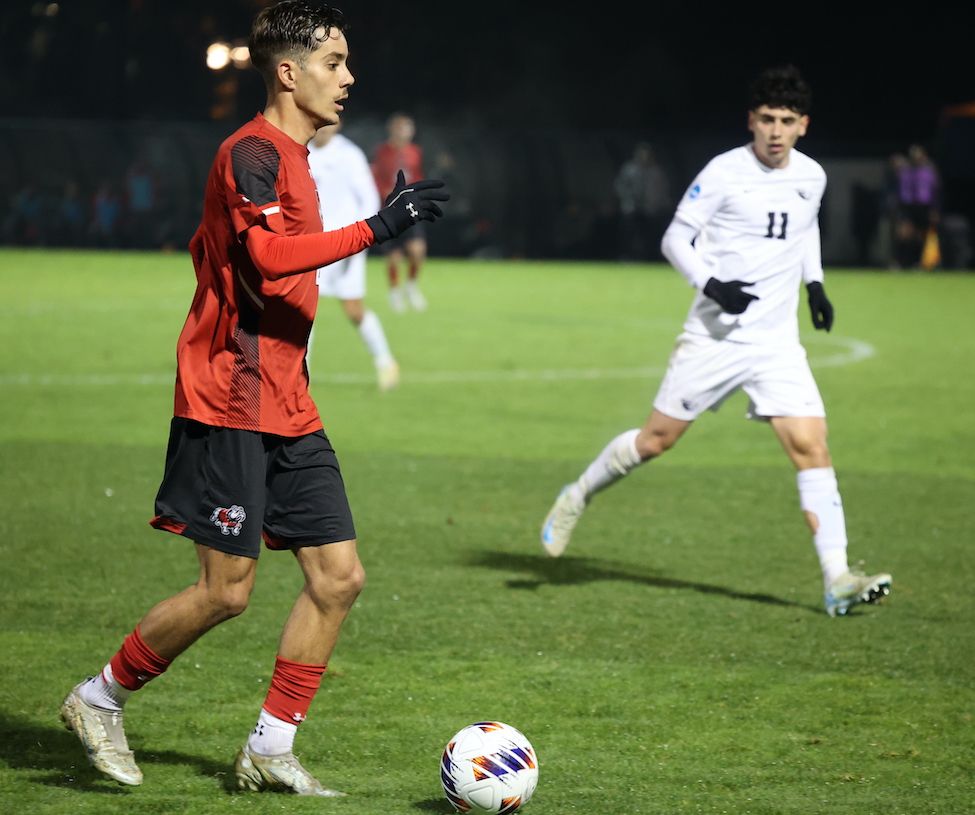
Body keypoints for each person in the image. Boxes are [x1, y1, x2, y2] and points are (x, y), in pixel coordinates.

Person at [60, 0, 448, 796]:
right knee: (225, 591)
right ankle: (98, 699)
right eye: (333, 62)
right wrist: (376, 229)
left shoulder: (299, 159)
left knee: (338, 577)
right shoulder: (252, 154)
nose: (347, 77)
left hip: (286, 397)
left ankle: (270, 747)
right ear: (287, 71)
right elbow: (269, 258)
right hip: (229, 396)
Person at [540, 65, 891, 618]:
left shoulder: (812, 176)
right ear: (751, 121)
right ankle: (577, 494)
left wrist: (815, 284)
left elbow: (806, 228)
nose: (776, 132)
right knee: (656, 441)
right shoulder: (724, 172)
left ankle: (837, 578)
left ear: (804, 126)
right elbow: (675, 237)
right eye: (767, 120)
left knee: (812, 447)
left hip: (775, 344)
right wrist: (712, 286)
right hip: (714, 337)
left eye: (787, 121)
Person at [307, 121, 400, 391]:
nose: (324, 129)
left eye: (330, 126)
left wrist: (359, 240)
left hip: (346, 246)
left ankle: (385, 361)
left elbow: (369, 200)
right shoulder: (302, 150)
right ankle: (301, 379)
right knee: (304, 310)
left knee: (353, 309)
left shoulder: (349, 155)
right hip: (312, 245)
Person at [371, 112, 429, 312]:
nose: (406, 132)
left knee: (417, 250)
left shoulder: (415, 152)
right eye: (402, 128)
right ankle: (395, 292)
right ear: (393, 130)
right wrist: (384, 192)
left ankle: (411, 285)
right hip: (389, 210)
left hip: (410, 208)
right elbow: (375, 177)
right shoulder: (382, 152)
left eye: (409, 128)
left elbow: (419, 175)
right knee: (394, 256)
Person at [613, 141, 672, 261]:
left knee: (650, 235)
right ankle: (628, 256)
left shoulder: (656, 172)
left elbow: (663, 190)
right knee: (629, 233)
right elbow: (620, 186)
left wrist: (662, 204)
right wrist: (628, 199)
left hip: (651, 210)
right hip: (631, 208)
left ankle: (649, 257)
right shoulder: (629, 169)